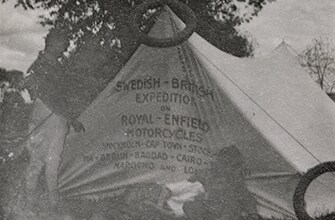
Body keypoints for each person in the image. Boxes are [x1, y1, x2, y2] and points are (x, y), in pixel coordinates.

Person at [183, 145, 259, 220]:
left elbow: (246, 198)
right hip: (209, 210)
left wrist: (252, 214)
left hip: (227, 213)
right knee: (190, 206)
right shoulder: (207, 173)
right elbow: (188, 186)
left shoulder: (236, 180)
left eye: (233, 164)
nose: (231, 167)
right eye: (226, 162)